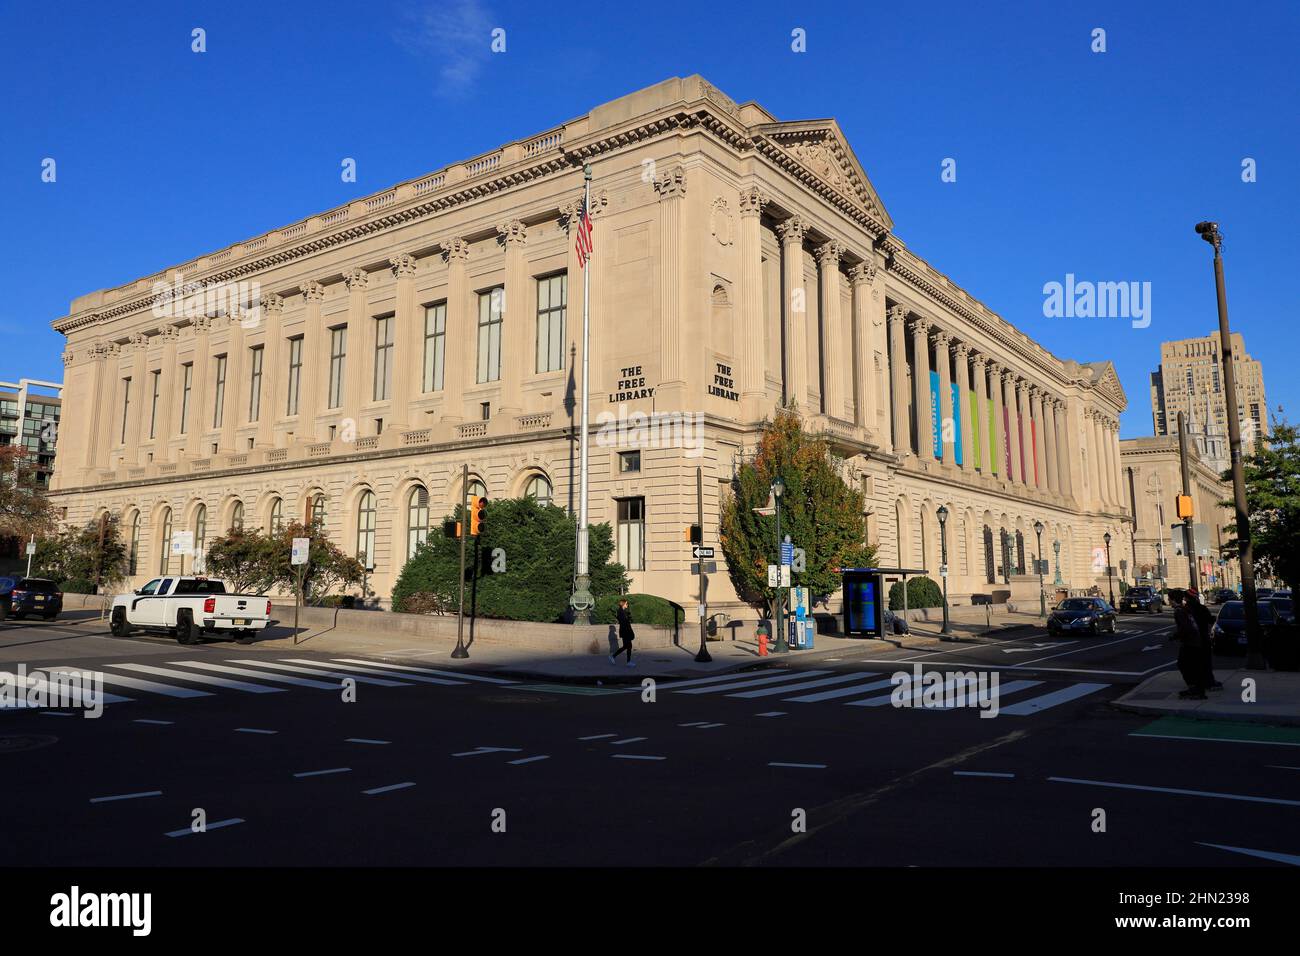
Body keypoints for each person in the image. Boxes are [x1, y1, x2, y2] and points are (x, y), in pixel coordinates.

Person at [1169, 589, 1206, 700]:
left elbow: (1186, 627)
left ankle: (1196, 690)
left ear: (1173, 600)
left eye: (1169, 598)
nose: (1168, 600)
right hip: (1194, 640)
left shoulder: (1179, 611)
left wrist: (1176, 636)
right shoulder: (1184, 609)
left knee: (1184, 665)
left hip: (1191, 642)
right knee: (1191, 666)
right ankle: (1196, 689)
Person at [1185, 587, 1221, 690]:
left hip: (1191, 640)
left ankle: (1196, 682)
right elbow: (1210, 620)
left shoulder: (1186, 610)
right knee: (1205, 662)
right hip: (1203, 639)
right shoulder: (1201, 608)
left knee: (1193, 662)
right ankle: (1208, 681)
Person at [610, 597, 636, 667]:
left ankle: (614, 656)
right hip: (625, 632)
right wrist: (630, 632)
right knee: (628, 646)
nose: (627, 605)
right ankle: (628, 662)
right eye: (627, 603)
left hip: (625, 632)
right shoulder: (621, 612)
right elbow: (625, 623)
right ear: (623, 604)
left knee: (626, 646)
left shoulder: (622, 612)